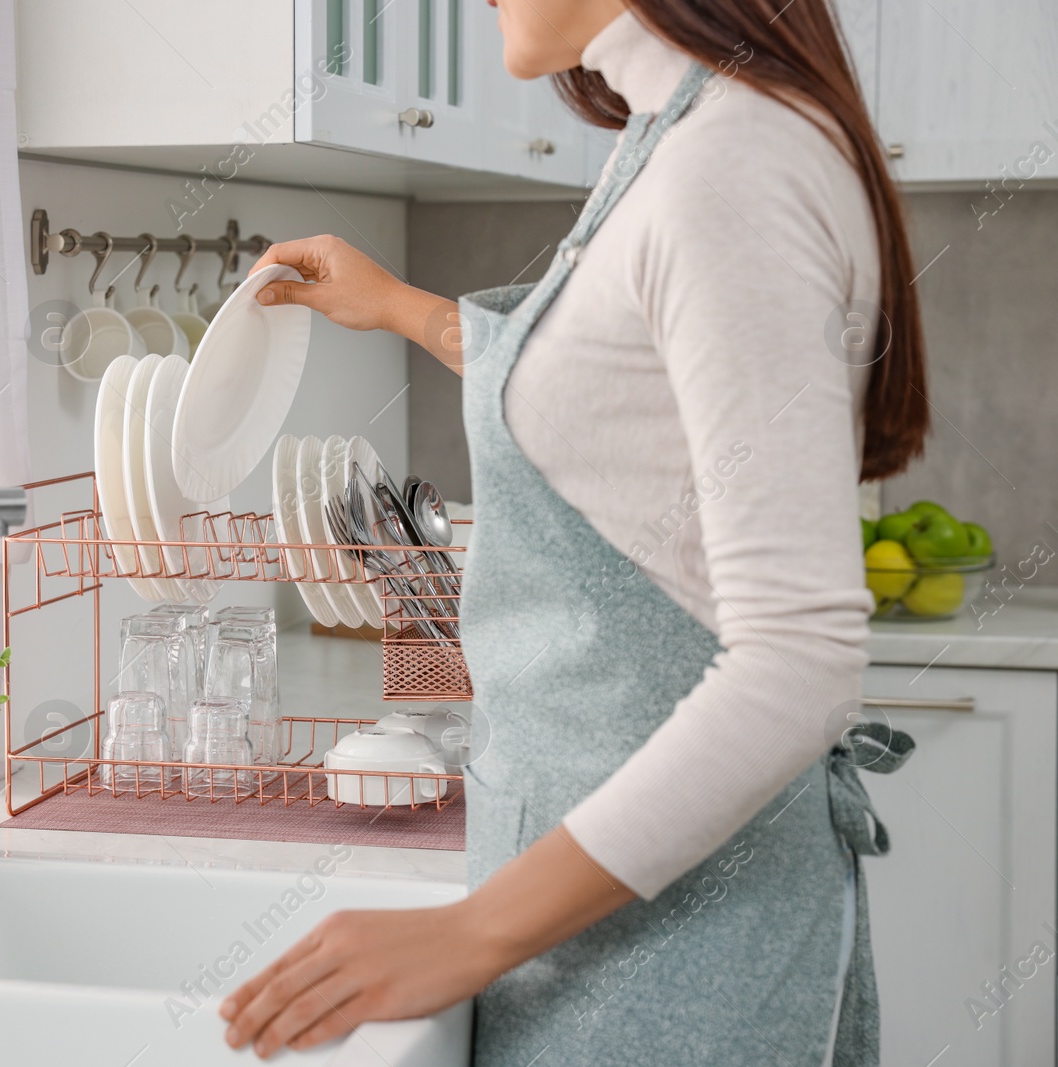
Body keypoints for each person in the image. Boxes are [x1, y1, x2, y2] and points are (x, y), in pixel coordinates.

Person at [219, 0, 927, 1063]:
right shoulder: (678, 134)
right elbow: (610, 407)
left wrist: (471, 932)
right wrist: (406, 310)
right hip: (598, 926)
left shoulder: (728, 166)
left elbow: (799, 663)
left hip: (677, 956)